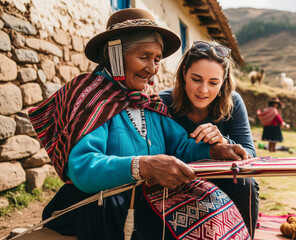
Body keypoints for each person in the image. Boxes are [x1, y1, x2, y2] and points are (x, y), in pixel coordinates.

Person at [28, 9, 251, 240]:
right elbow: (83, 167)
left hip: (145, 198)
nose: (152, 68)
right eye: (144, 57)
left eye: (157, 59)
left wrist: (214, 150)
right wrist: (144, 166)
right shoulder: (91, 96)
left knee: (210, 206)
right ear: (115, 54)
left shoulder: (149, 102)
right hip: (100, 204)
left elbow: (182, 146)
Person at [159, 40, 259, 238]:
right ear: (184, 73)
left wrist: (224, 142)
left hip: (222, 180)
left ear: (224, 81)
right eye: (196, 79)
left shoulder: (234, 102)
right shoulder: (163, 103)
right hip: (178, 182)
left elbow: (250, 156)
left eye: (213, 83)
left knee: (247, 183)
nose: (203, 90)